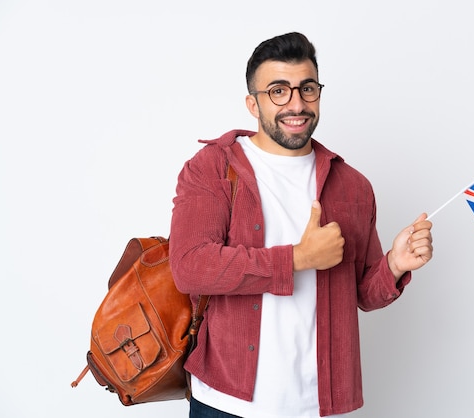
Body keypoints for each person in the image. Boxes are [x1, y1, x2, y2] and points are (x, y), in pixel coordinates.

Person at [169, 32, 433, 418]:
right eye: (278, 90)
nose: (296, 104)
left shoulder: (353, 186)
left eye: (307, 89)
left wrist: (395, 264)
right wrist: (297, 258)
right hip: (225, 402)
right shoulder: (213, 168)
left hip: (316, 404)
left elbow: (363, 294)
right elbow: (190, 267)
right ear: (252, 103)